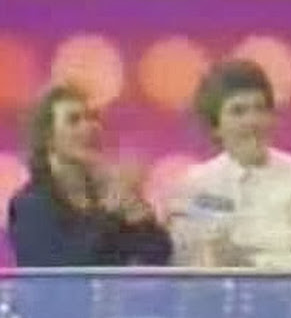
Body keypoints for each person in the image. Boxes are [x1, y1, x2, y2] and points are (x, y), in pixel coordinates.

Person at [168, 59, 291, 268]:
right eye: (238, 111)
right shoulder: (195, 185)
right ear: (215, 127)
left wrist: (248, 262)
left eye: (260, 108)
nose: (253, 121)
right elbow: (186, 261)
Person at [8, 85, 172, 267]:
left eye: (92, 117)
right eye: (74, 120)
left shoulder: (106, 197)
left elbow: (158, 255)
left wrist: (142, 220)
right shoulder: (30, 203)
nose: (89, 127)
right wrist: (109, 214)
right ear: (48, 138)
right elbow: (66, 263)